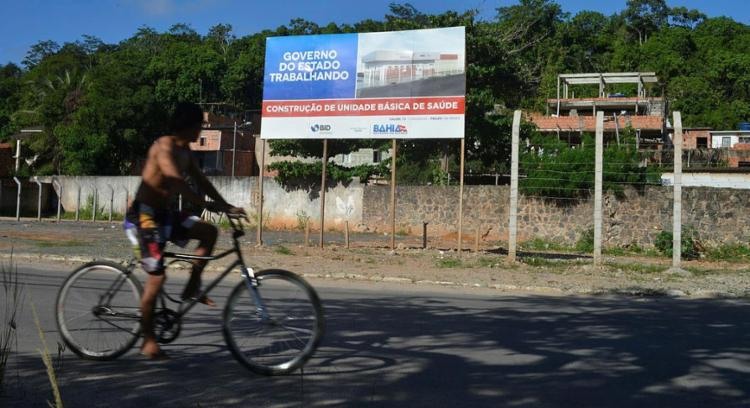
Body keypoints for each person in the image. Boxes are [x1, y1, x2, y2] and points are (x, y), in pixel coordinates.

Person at [126, 102, 245, 359]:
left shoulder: (186, 151)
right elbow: (175, 181)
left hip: (165, 216)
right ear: (187, 125)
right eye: (200, 125)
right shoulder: (164, 147)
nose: (202, 129)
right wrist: (206, 204)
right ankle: (147, 341)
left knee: (209, 233)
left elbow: (202, 181)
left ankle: (192, 285)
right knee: (156, 278)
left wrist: (226, 206)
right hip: (145, 216)